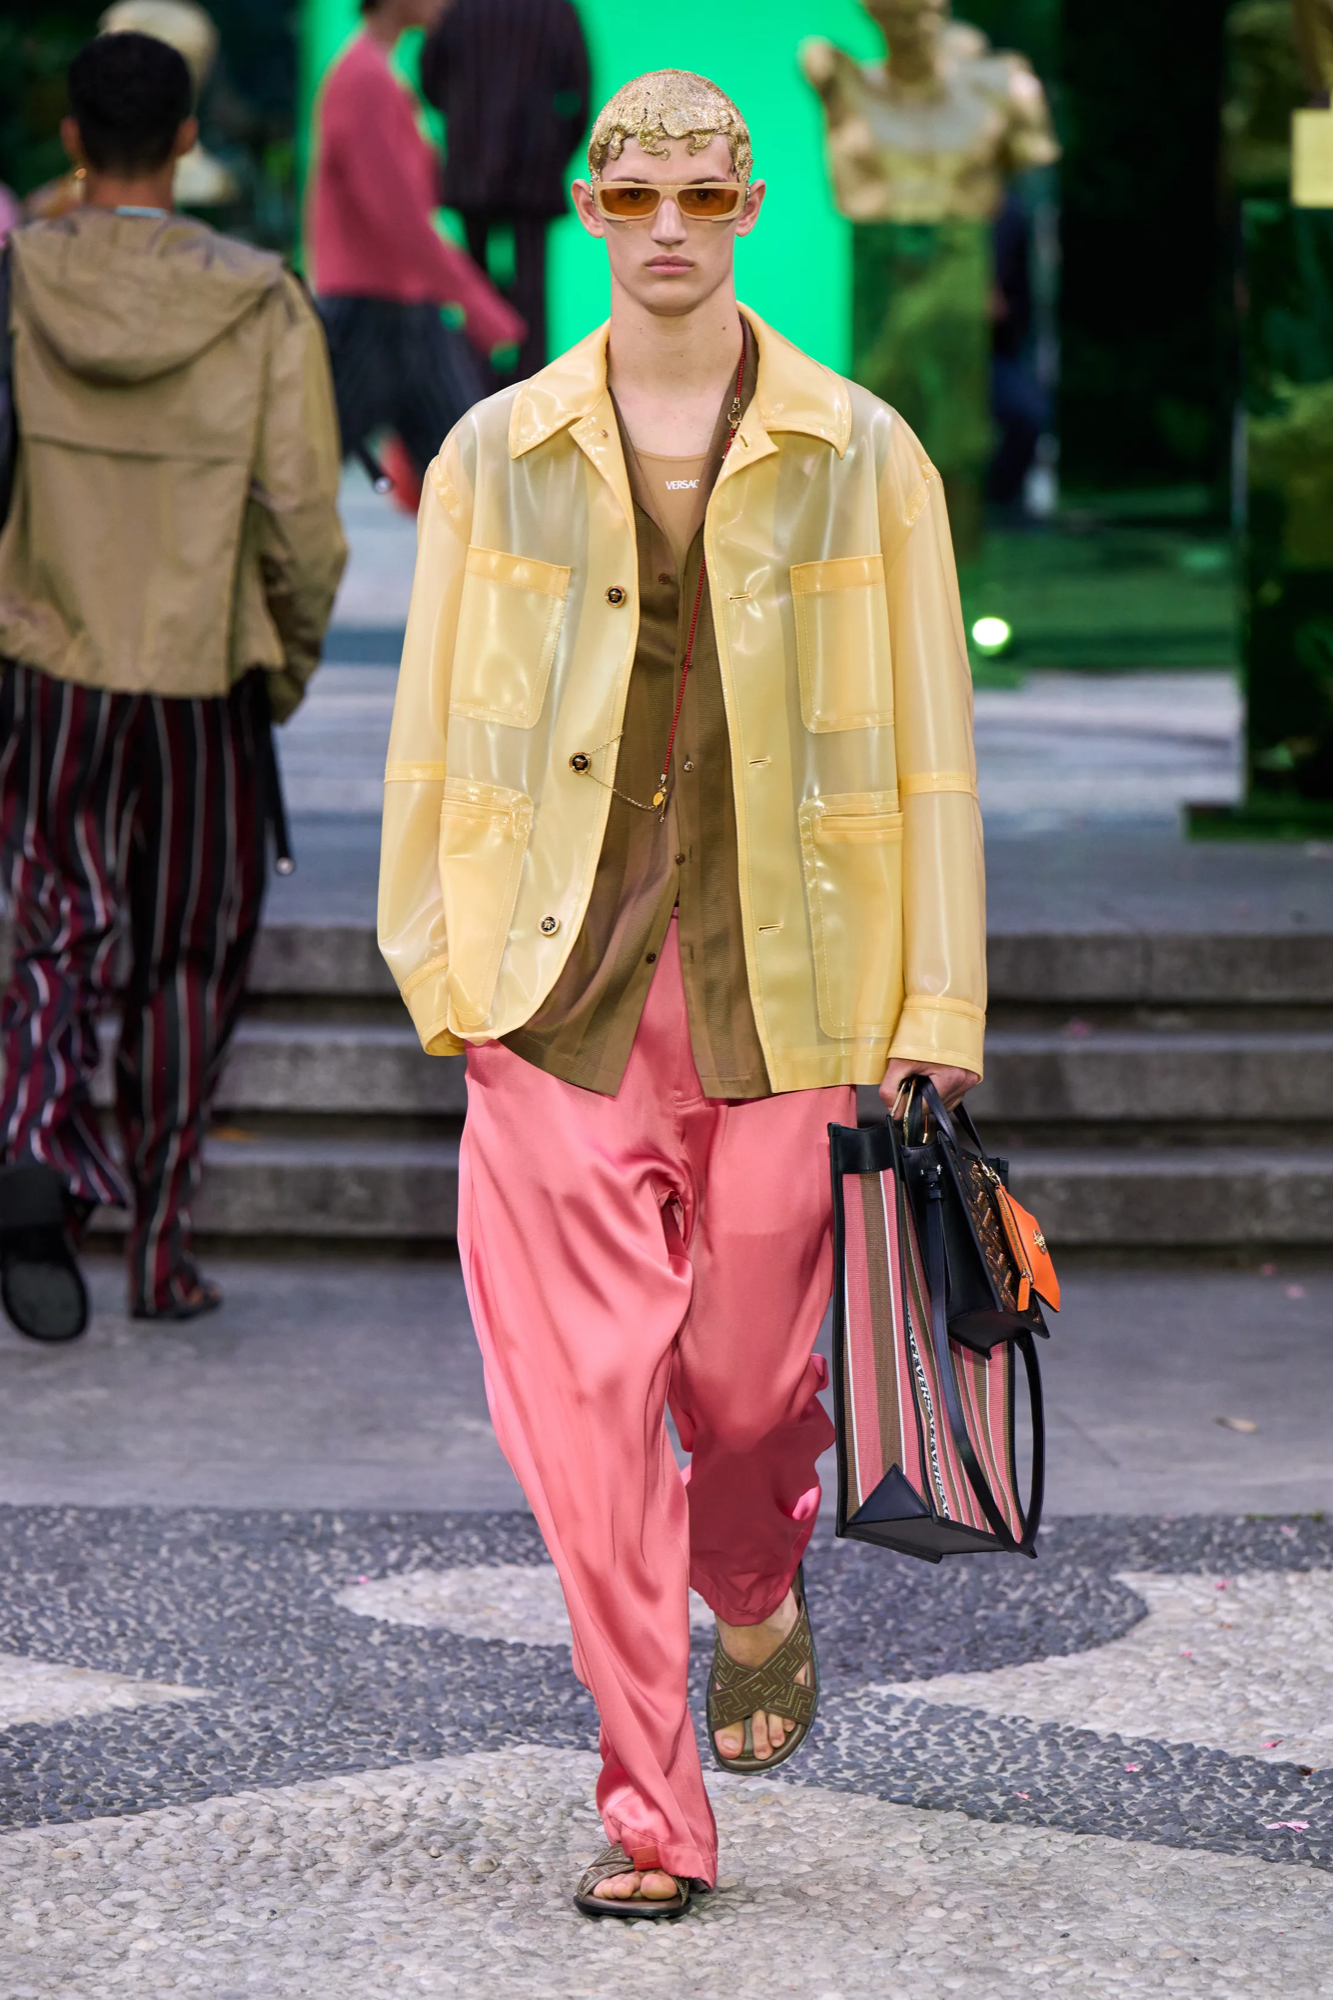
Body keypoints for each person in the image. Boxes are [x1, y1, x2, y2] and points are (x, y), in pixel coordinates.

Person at [379, 69, 985, 1917]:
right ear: (585, 209)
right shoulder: (496, 450)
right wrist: (439, 968)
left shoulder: (862, 449)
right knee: (582, 1421)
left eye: (698, 198)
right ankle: (651, 1808)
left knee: (742, 1391)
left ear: (747, 212)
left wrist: (934, 1006)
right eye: (630, 196)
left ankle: (753, 1584)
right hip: (552, 995)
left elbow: (933, 750)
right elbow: (430, 732)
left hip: (791, 987)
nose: (663, 227)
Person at [0, 31, 345, 1337]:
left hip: (49, 661)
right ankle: (159, 1249)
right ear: (190, 140)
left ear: (72, 140)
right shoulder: (260, 301)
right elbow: (303, 518)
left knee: (55, 919)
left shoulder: (17, 279)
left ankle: (32, 1136)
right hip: (205, 671)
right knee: (189, 956)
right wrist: (284, 661)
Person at [310, 0, 526, 482]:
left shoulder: (376, 74)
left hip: (402, 306)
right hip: (372, 310)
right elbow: (398, 215)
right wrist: (476, 302)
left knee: (471, 472)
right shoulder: (364, 79)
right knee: (300, 471)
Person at [420, 0, 590, 381]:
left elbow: (430, 80)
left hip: (471, 162)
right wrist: (555, 151)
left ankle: (473, 381)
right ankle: (530, 388)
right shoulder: (554, 9)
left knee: (473, 283)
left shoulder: (459, 8)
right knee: (531, 289)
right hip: (535, 167)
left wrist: (464, 119)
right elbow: (578, 89)